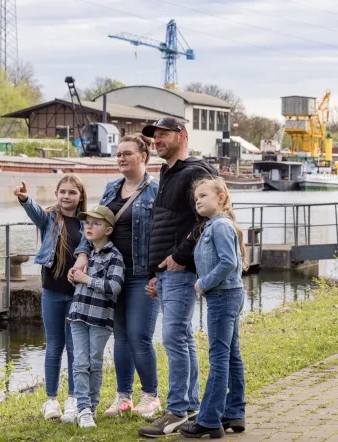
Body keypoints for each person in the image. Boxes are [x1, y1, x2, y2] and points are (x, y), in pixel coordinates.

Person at [137, 117, 219, 438]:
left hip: (182, 269)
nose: (156, 140)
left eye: (162, 134)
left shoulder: (195, 172)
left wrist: (178, 257)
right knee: (181, 336)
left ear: (182, 136)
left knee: (174, 337)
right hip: (167, 270)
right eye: (153, 136)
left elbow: (205, 221)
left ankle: (175, 410)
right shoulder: (167, 171)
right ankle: (191, 405)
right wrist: (155, 271)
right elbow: (163, 223)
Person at [73, 134, 162, 418]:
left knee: (140, 335)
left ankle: (151, 396)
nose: (121, 158)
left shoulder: (155, 191)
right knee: (121, 336)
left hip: (141, 274)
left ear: (143, 156)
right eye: (118, 154)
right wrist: (84, 253)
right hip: (111, 270)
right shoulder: (112, 188)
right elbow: (93, 223)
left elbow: (164, 234)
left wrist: (158, 273)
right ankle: (123, 396)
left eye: (127, 153)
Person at [14, 175, 89, 424]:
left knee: (75, 347)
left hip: (78, 294)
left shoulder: (87, 223)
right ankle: (51, 399)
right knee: (54, 346)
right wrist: (25, 199)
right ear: (56, 194)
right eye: (62, 192)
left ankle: (72, 398)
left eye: (72, 193)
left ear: (80, 196)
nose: (66, 197)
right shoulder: (50, 220)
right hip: (52, 292)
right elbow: (35, 212)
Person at [180, 177, 248, 439]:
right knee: (232, 355)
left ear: (221, 198)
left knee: (219, 358)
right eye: (196, 197)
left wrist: (202, 284)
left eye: (204, 196)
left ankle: (209, 420)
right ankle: (234, 412)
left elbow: (229, 263)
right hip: (230, 295)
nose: (198, 200)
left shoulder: (219, 226)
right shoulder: (214, 225)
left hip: (222, 296)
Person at [66, 205, 125, 428]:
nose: (89, 227)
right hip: (78, 315)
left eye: (96, 223)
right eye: (87, 223)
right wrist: (74, 275)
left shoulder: (114, 257)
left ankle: (91, 406)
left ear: (108, 230)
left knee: (94, 362)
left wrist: (86, 279)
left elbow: (114, 286)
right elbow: (78, 282)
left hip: (100, 319)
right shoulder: (85, 254)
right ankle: (82, 408)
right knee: (80, 362)